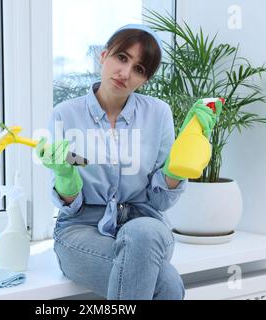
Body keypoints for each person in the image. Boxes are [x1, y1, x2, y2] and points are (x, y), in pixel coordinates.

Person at [36, 24, 220, 300]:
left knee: (143, 233)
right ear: (104, 55)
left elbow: (159, 203)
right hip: (81, 229)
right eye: (122, 58)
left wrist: (177, 163)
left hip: (145, 224)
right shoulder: (65, 114)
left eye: (139, 69)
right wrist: (64, 175)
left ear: (144, 80)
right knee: (166, 284)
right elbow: (70, 204)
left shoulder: (158, 114)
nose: (125, 73)